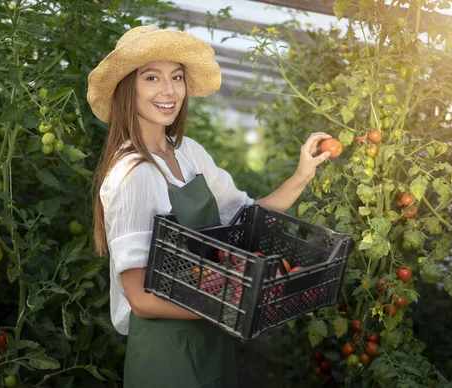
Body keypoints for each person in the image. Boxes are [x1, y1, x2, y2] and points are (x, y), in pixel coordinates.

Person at [87, 24, 332, 388]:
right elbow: (140, 300)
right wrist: (232, 308)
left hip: (212, 337)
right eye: (151, 77)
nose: (168, 90)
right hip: (167, 352)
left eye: (177, 77)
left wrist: (302, 175)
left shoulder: (188, 153)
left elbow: (249, 218)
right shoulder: (133, 174)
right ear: (128, 88)